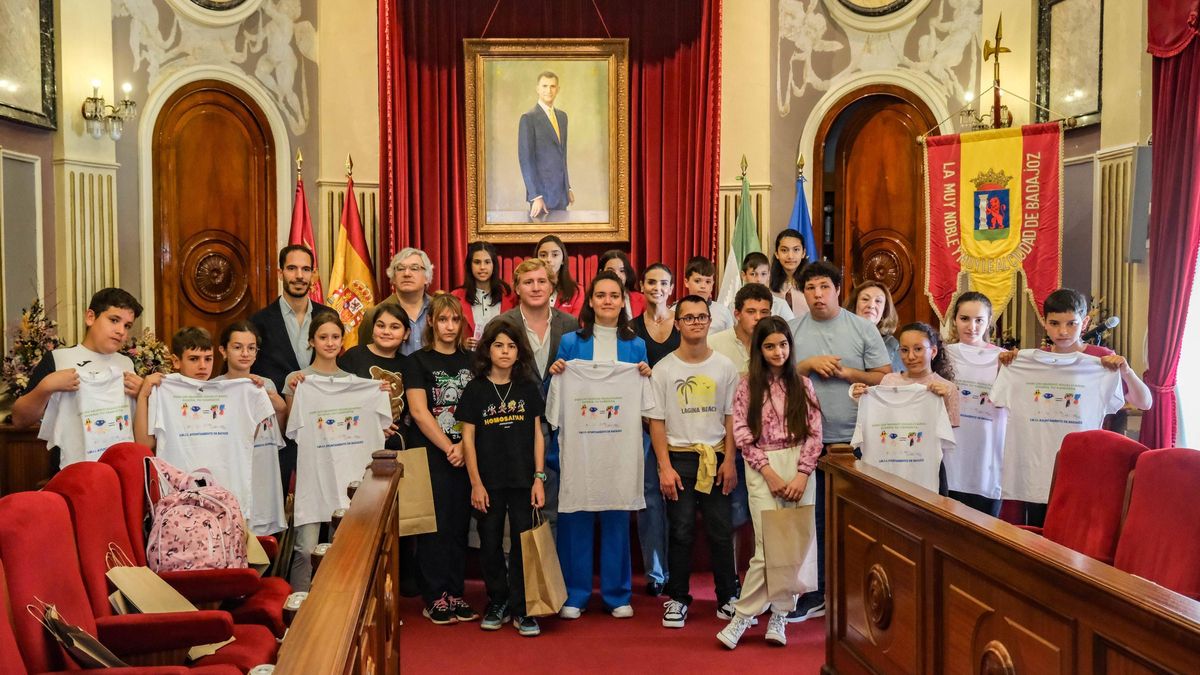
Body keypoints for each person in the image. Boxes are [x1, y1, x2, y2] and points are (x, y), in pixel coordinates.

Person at [787, 261, 891, 623]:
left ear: (837, 289)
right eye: (811, 288)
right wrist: (807, 365)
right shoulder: (792, 329)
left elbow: (884, 378)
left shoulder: (861, 328)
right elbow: (773, 375)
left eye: (824, 287)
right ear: (803, 292)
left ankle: (855, 593)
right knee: (812, 523)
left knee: (856, 520)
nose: (818, 294)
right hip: (805, 441)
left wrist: (847, 372)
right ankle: (814, 593)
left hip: (854, 440)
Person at [995, 288, 1152, 526]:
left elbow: (1145, 403)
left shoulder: (1101, 360)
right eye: (1055, 323)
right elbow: (1000, 398)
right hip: (1037, 469)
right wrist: (1007, 365)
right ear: (1044, 323)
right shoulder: (1030, 361)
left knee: (1077, 534)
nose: (1063, 331)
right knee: (1040, 534)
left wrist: (1126, 371)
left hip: (1084, 467)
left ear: (1085, 322)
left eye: (1072, 323)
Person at [548, 271, 652, 620]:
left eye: (614, 295)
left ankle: (616, 594)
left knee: (616, 515)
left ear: (623, 301)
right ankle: (574, 594)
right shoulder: (571, 342)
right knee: (575, 514)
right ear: (590, 302)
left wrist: (646, 376)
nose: (607, 300)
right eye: (600, 295)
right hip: (581, 443)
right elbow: (555, 391)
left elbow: (644, 398)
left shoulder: (636, 345)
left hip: (618, 446)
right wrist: (557, 370)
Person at [718, 316, 822, 649]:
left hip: (800, 466)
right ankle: (742, 617)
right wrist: (771, 473)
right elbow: (743, 435)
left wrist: (803, 473)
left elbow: (815, 433)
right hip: (762, 467)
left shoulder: (802, 384)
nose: (777, 352)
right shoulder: (747, 384)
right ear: (759, 350)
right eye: (769, 346)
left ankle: (780, 614)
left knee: (792, 548)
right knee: (766, 548)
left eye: (783, 344)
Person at [135, 326, 278, 545]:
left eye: (208, 358)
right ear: (176, 361)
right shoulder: (163, 390)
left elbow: (249, 437)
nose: (202, 366)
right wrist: (144, 394)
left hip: (226, 499)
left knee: (230, 564)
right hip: (178, 503)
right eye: (194, 359)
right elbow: (144, 445)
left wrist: (250, 391)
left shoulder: (237, 391)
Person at [648, 295, 741, 630]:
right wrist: (664, 467)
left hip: (716, 456)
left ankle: (728, 597)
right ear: (678, 324)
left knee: (720, 530)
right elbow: (656, 421)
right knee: (682, 530)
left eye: (702, 317)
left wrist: (730, 460)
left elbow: (732, 417)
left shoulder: (725, 367)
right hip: (679, 458)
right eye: (688, 318)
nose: (696, 322)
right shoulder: (664, 369)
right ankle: (678, 598)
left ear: (709, 321)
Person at [283, 311, 391, 591]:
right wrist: (294, 391)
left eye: (335, 337)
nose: (329, 343)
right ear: (311, 341)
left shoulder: (356, 383)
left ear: (342, 341)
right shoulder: (299, 381)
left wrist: (378, 395)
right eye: (323, 337)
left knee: (342, 548)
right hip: (313, 476)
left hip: (346, 475)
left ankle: (338, 608)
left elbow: (377, 422)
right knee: (305, 549)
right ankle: (299, 611)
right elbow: (290, 429)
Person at [460, 320, 547, 637]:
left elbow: (538, 434)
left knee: (525, 544)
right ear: (487, 349)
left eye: (511, 346)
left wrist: (539, 478)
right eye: (499, 345)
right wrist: (476, 483)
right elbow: (468, 439)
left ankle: (523, 607)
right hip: (489, 481)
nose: (505, 351)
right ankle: (497, 601)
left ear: (519, 351)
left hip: (524, 479)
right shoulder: (476, 389)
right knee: (491, 542)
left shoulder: (526, 387)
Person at [405, 294, 477, 625]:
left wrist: (464, 446)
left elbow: (477, 409)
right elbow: (420, 412)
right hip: (433, 453)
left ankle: (455, 591)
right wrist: (449, 445)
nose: (449, 326)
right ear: (431, 322)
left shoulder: (472, 361)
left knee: (460, 525)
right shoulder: (418, 361)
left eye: (455, 320)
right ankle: (435, 596)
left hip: (469, 454)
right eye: (443, 320)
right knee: (435, 527)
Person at [494, 258, 581, 531]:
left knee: (555, 501)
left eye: (542, 281)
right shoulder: (501, 324)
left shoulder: (570, 325)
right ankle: (518, 570)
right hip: (516, 425)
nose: (535, 287)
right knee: (519, 503)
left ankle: (551, 570)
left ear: (552, 286)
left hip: (561, 423)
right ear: (517, 288)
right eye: (528, 282)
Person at [15, 288, 144, 468]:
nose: (121, 331)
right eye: (114, 320)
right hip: (72, 471)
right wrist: (46, 387)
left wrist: (143, 395)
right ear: (90, 317)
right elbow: (20, 420)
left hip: (118, 469)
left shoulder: (127, 364)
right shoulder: (58, 359)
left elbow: (140, 426)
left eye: (127, 326)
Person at [249, 245, 333, 492]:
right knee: (278, 500)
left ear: (313, 275)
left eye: (306, 269)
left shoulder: (328, 317)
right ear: (280, 272)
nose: (299, 276)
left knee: (325, 499)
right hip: (279, 432)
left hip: (323, 427)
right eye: (292, 268)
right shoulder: (259, 322)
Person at [629, 262, 679, 596]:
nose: (657, 288)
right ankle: (656, 572)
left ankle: (680, 567)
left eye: (663, 283)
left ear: (672, 288)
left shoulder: (685, 324)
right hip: (643, 426)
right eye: (651, 282)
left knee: (680, 499)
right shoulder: (630, 330)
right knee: (650, 499)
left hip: (683, 421)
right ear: (642, 288)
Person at [213, 320, 288, 536]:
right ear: (223, 351)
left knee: (265, 545)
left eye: (251, 348)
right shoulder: (214, 388)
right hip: (233, 474)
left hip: (264, 473)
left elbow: (279, 435)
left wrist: (279, 406)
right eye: (237, 347)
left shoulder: (266, 385)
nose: (245, 353)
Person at [943, 292, 1005, 516]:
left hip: (986, 463)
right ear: (954, 320)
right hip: (949, 459)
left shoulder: (1006, 360)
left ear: (989, 322)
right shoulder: (941, 356)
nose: (972, 326)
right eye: (965, 319)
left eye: (979, 320)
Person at [338, 303, 410, 449]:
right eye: (381, 325)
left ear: (406, 334)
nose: (386, 331)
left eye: (394, 327)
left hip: (395, 445)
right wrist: (374, 424)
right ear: (372, 329)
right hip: (355, 441)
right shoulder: (354, 356)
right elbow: (338, 400)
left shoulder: (409, 364)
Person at [357, 248, 434, 355]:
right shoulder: (374, 314)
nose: (407, 273)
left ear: (427, 277)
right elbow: (364, 356)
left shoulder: (440, 310)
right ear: (393, 278)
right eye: (400, 268)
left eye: (415, 268)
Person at [518, 71, 571, 218]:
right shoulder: (529, 118)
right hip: (542, 197)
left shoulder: (562, 117)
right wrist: (536, 196)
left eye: (552, 86)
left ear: (558, 89)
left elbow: (562, 156)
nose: (549, 90)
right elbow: (526, 161)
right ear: (538, 89)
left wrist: (568, 187)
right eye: (545, 86)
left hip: (562, 195)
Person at [450, 241, 515, 346]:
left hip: (503, 357)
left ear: (494, 265)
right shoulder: (455, 297)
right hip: (467, 359)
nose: (482, 267)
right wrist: (461, 343)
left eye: (487, 262)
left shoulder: (509, 295)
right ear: (469, 266)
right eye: (477, 262)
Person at [847, 280, 903, 373]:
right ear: (854, 305)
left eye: (878, 301)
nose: (871, 305)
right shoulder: (839, 336)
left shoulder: (892, 344)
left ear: (884, 311)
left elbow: (896, 383)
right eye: (865, 299)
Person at [677, 256, 734, 333]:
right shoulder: (674, 311)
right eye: (697, 281)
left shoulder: (723, 312)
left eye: (708, 282)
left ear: (712, 284)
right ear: (686, 282)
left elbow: (730, 340)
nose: (703, 286)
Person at [735, 252, 794, 321]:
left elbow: (792, 329)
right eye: (753, 274)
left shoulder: (780, 305)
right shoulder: (734, 305)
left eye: (763, 274)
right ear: (744, 275)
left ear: (769, 275)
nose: (759, 279)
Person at [535, 235, 583, 317]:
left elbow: (574, 324)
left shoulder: (576, 290)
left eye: (555, 255)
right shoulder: (528, 287)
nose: (548, 260)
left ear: (563, 260)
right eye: (543, 255)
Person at [769, 229, 811, 319]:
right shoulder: (767, 283)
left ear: (803, 253)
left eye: (796, 250)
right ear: (777, 254)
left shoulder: (812, 283)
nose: (790, 256)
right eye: (784, 250)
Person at [598, 249, 646, 318]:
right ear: (601, 272)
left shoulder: (642, 300)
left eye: (622, 271)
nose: (617, 275)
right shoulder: (595, 299)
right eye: (611, 270)